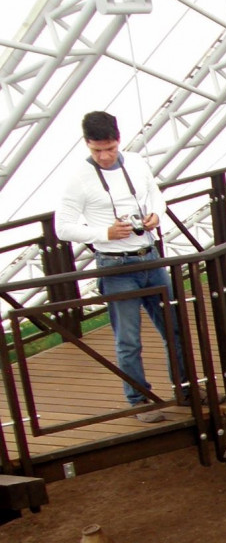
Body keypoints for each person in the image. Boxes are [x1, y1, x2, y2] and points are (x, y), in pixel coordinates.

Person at [55, 111, 187, 423]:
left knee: (175, 327)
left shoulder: (137, 162)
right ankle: (139, 401)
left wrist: (155, 214)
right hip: (115, 267)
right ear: (86, 144)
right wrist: (104, 234)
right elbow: (62, 228)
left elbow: (155, 195)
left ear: (119, 140)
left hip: (150, 256)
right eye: (96, 150)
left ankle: (185, 388)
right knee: (128, 339)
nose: (104, 156)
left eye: (110, 148)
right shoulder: (78, 179)